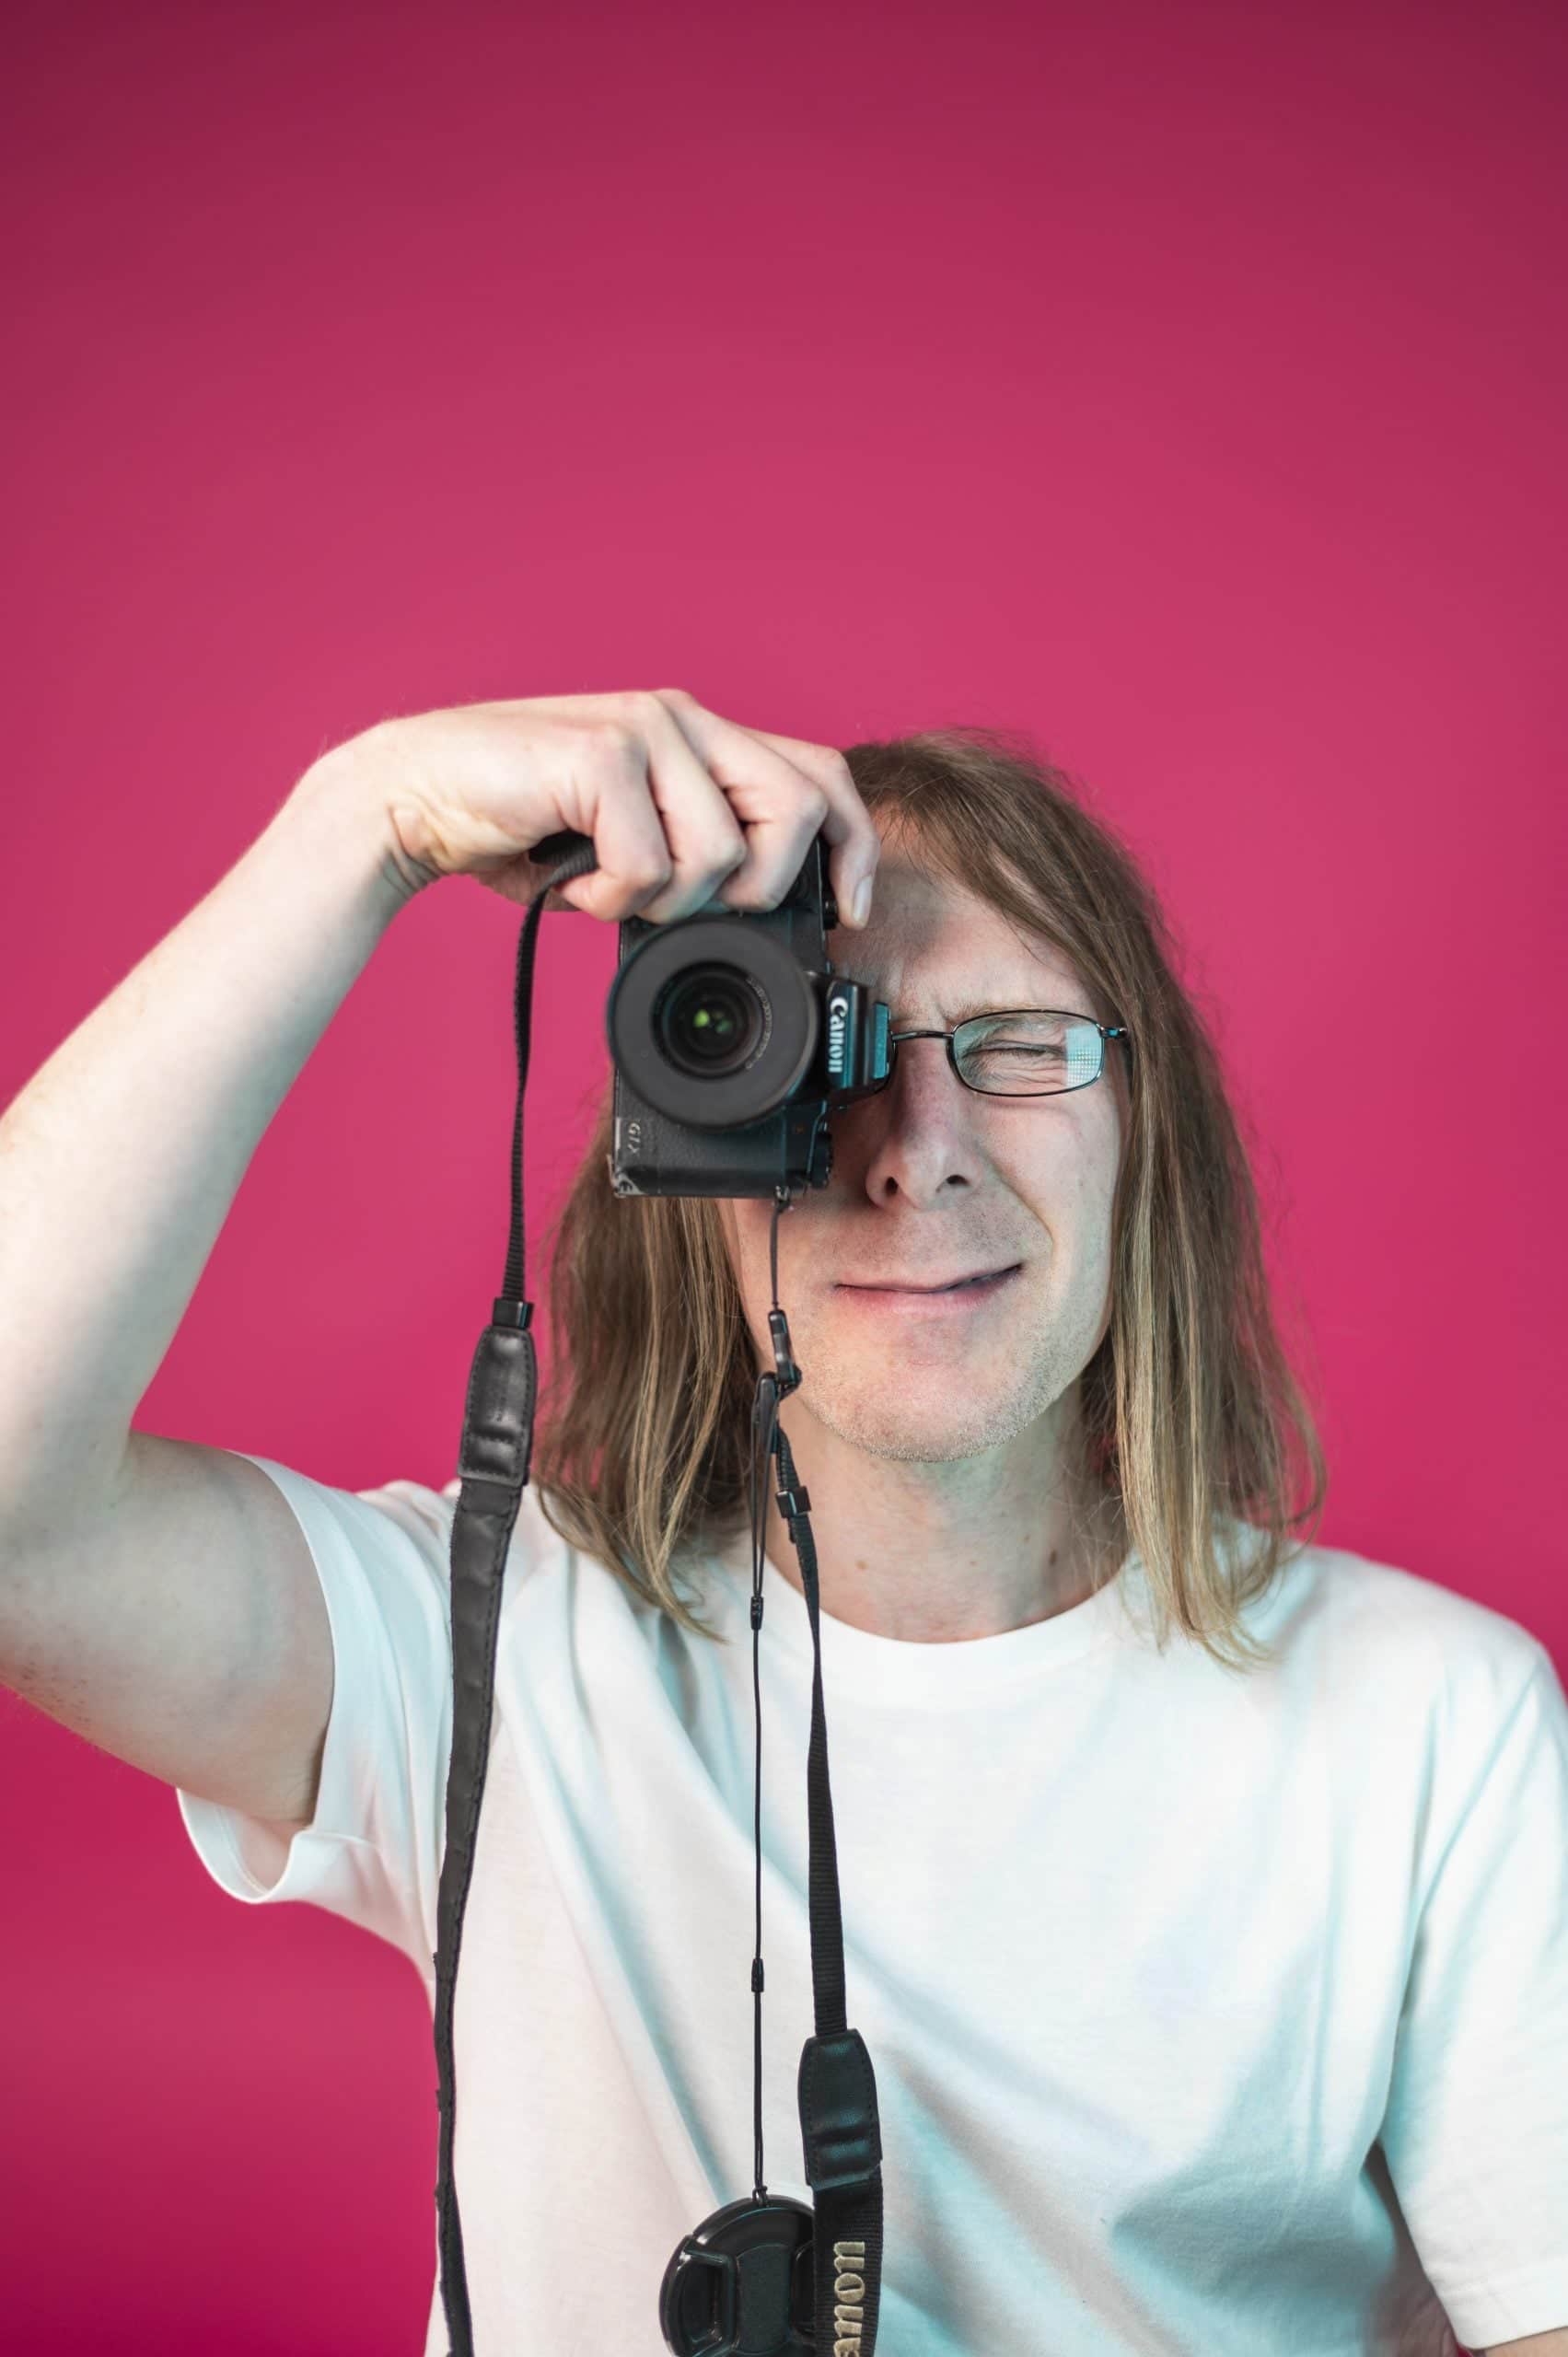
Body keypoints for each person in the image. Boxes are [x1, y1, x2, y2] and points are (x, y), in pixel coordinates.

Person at [0, 689, 1563, 2357]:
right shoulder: (482, 1647)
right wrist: (362, 819)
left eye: (1016, 1046)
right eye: (825, 1053)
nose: (918, 1156)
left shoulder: (1433, 1726)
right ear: (679, 1153)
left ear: (1142, 1131)